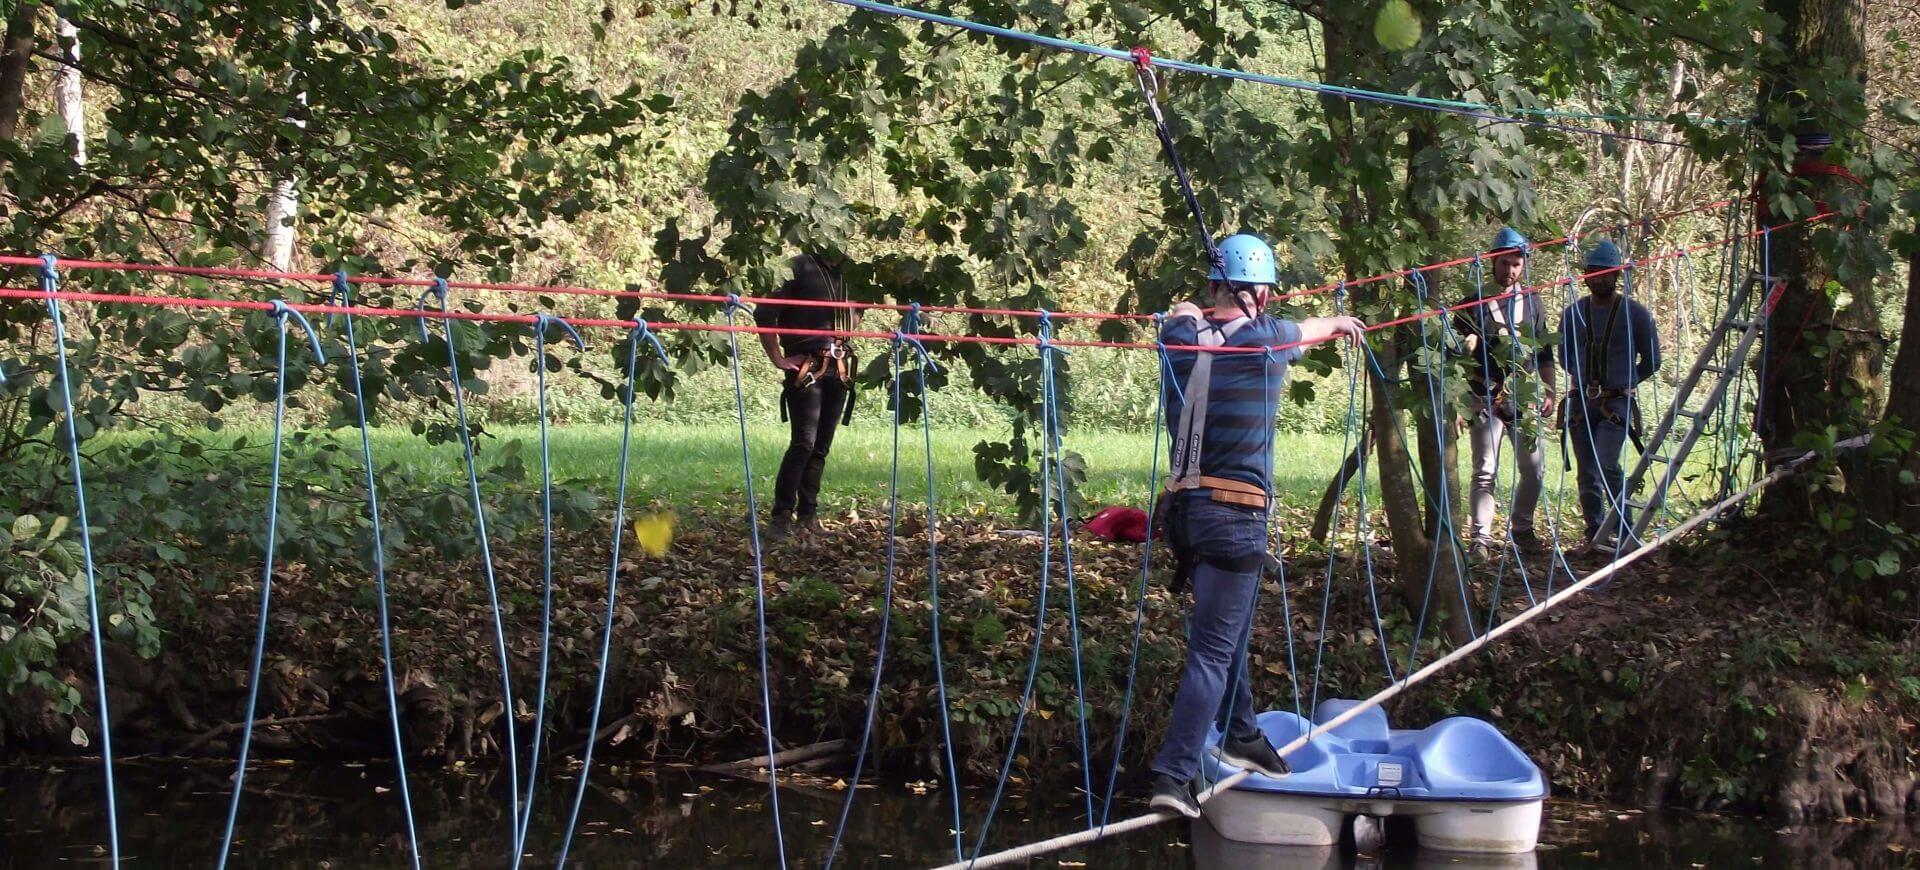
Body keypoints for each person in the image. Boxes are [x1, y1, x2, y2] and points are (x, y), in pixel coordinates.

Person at [1148, 233, 1368, 819]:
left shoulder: (1177, 339)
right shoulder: (1266, 340)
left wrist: (1193, 310)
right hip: (1235, 516)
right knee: (1212, 652)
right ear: (1261, 292)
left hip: (1186, 515)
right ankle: (1173, 774)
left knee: (1228, 625)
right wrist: (1342, 320)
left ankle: (1242, 731)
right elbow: (1313, 328)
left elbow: (1183, 318)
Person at [1453, 228, 1556, 558]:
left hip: (1521, 397)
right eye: (1504, 263)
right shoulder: (1472, 305)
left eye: (1516, 264)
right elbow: (1454, 360)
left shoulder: (1533, 302)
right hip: (1483, 396)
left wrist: (1551, 390)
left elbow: (1543, 353)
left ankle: (1522, 528)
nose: (1510, 270)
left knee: (1535, 469)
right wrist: (1457, 403)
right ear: (1492, 262)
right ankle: (1480, 539)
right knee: (1485, 470)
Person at [1559, 240, 1660, 550]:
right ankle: (1594, 528)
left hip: (1616, 400)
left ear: (1617, 276)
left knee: (1606, 463)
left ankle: (1626, 528)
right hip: (1580, 400)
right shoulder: (1573, 313)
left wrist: (1626, 381)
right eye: (1593, 273)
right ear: (1586, 276)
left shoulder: (1636, 314)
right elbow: (1564, 355)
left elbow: (1652, 359)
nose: (1599, 278)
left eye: (1606, 273)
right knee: (1586, 470)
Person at [754, 252, 860, 540]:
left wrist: (846, 338)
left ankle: (808, 515)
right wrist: (777, 357)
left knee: (821, 447)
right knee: (804, 443)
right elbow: (765, 312)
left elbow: (859, 309)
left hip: (838, 368)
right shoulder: (798, 267)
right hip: (808, 367)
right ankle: (781, 516)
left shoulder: (851, 272)